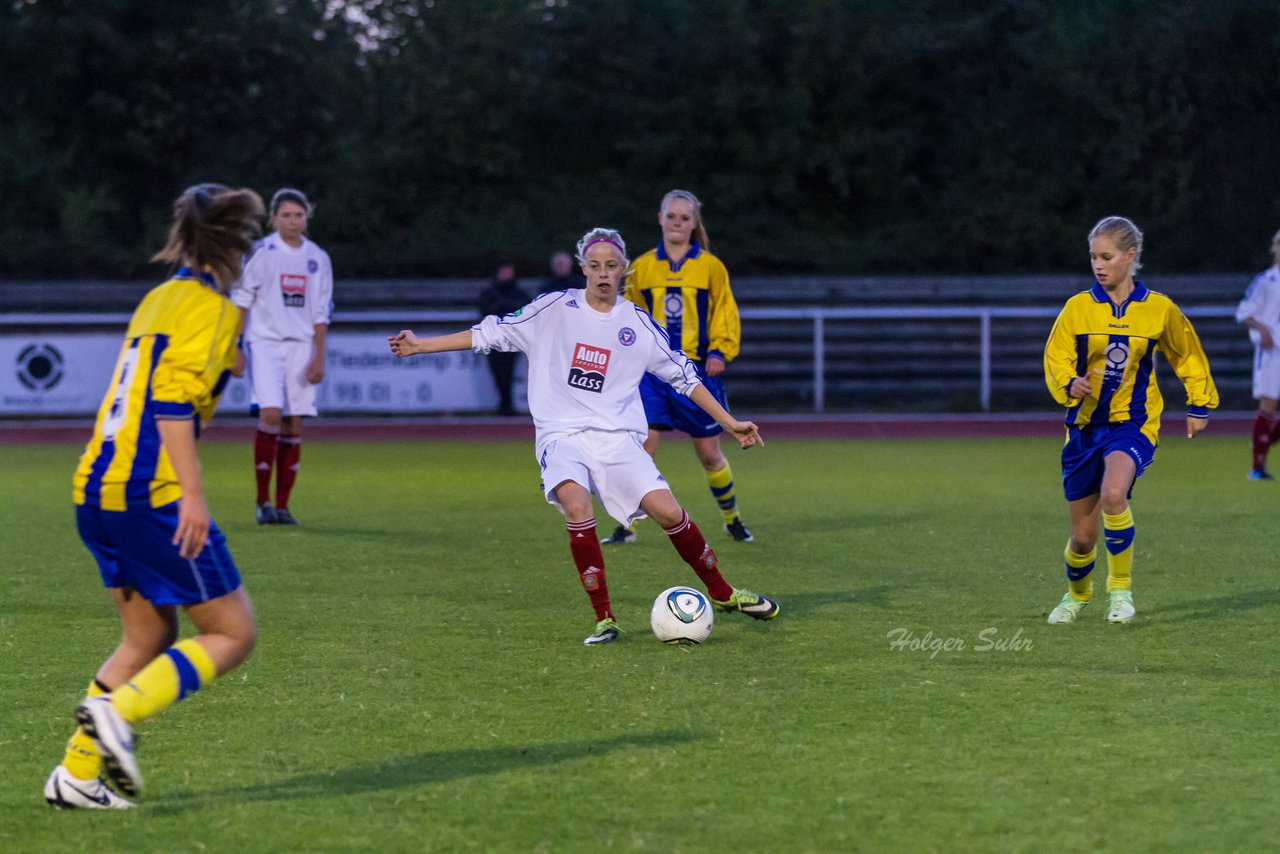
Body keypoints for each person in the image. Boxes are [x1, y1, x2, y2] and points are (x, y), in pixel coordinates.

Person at [389, 227, 780, 645]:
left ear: (624, 269)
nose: (603, 274)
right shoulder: (554, 308)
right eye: (594, 266)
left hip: (618, 441)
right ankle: (605, 619)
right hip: (563, 436)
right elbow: (492, 333)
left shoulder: (636, 324)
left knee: (669, 513)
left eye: (611, 266)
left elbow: (685, 376)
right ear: (583, 270)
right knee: (576, 504)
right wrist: (421, 345)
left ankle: (722, 594)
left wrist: (729, 421)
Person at [45, 184, 263, 809]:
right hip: (151, 493)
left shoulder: (161, 298)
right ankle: (118, 716)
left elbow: (202, 366)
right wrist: (192, 497)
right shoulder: (212, 310)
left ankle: (76, 777)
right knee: (233, 631)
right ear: (236, 246)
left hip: (97, 488)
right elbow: (170, 401)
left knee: (146, 638)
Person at [1042, 216, 1218, 625]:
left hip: (1134, 423)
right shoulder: (1077, 309)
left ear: (1130, 256)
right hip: (1085, 430)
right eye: (1093, 257)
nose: (1098, 265)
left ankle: (1120, 593)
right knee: (1082, 539)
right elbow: (1056, 357)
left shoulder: (1158, 309)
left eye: (1107, 256)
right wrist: (1069, 383)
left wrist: (1199, 402)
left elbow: (1186, 352)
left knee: (1115, 493)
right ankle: (1075, 596)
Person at [603, 189, 755, 545]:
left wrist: (720, 350)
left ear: (694, 223)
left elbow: (725, 311)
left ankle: (732, 519)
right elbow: (629, 317)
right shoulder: (641, 267)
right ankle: (627, 526)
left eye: (684, 218)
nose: (677, 223)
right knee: (642, 448)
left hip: (697, 373)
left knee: (709, 453)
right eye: (671, 216)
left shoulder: (711, 267)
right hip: (653, 376)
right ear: (660, 218)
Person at [232, 188, 334, 525]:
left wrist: (319, 355)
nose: (293, 221)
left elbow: (321, 312)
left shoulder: (317, 257)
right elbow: (242, 301)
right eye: (286, 215)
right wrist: (234, 347)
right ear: (273, 219)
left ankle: (283, 506)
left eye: (298, 214)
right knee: (271, 414)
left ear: (307, 217)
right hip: (265, 343)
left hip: (301, 345)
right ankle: (262, 502)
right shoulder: (262, 253)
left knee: (293, 421)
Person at [1235, 229, 1280, 480]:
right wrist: (1262, 328)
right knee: (1268, 406)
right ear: (1275, 248)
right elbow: (1244, 311)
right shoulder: (1265, 281)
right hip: (1272, 352)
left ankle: (1264, 440)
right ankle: (1257, 467)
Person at [475, 262, 530, 415]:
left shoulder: (518, 292)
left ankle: (507, 404)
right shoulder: (490, 293)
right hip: (493, 337)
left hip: (512, 339)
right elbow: (485, 311)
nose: (506, 274)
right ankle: (504, 403)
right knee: (497, 372)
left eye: (508, 271)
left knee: (509, 371)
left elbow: (526, 310)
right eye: (503, 271)